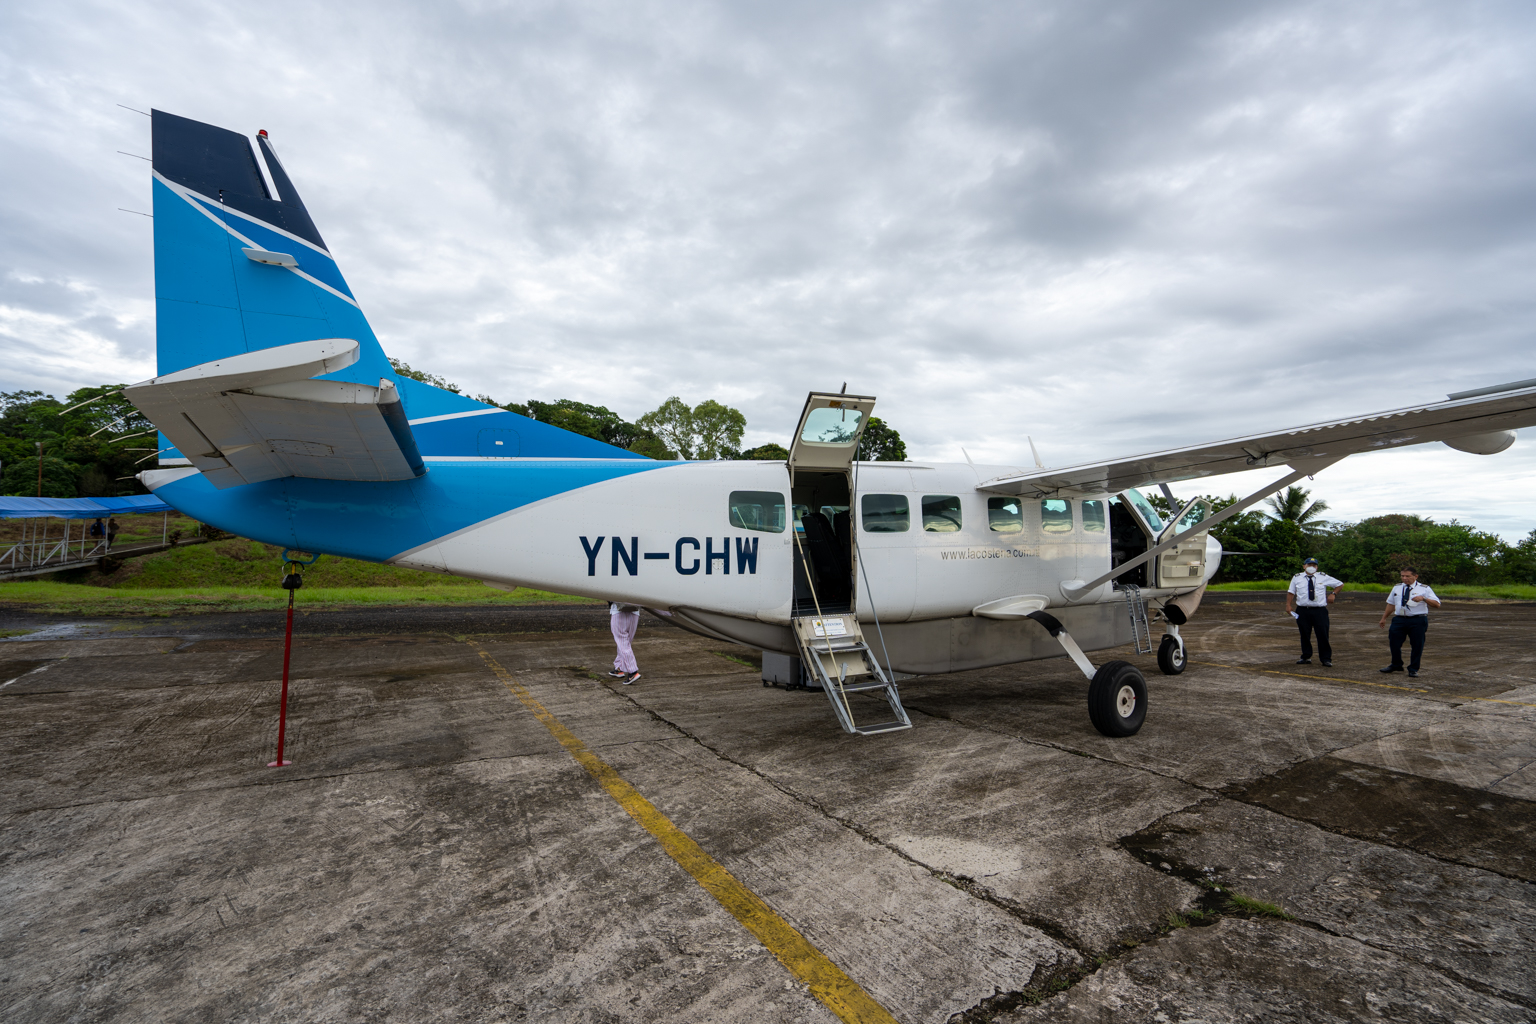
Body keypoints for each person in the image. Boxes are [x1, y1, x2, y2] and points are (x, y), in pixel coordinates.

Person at [1379, 567, 1440, 677]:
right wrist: (1384, 618)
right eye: (1402, 576)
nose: (1404, 578)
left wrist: (1424, 599)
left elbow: (1437, 604)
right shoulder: (1397, 587)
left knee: (1417, 645)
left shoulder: (1424, 589)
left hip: (1417, 620)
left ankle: (1413, 668)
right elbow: (1391, 604)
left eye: (1407, 576)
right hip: (1399, 619)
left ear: (1415, 576)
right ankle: (1396, 664)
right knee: (1394, 642)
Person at [1285, 557, 1344, 666]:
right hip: (1303, 610)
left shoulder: (1323, 577)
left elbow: (1340, 584)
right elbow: (1291, 592)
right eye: (1309, 565)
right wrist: (1288, 605)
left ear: (1317, 567)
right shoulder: (1297, 578)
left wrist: (1333, 594)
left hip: (1319, 611)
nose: (1312, 567)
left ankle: (1326, 659)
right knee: (1304, 634)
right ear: (1304, 566)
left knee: (1323, 634)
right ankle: (1306, 656)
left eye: (1314, 565)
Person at [607, 602, 642, 684]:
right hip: (635, 611)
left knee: (622, 642)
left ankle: (633, 671)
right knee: (626, 643)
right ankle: (619, 668)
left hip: (619, 611)